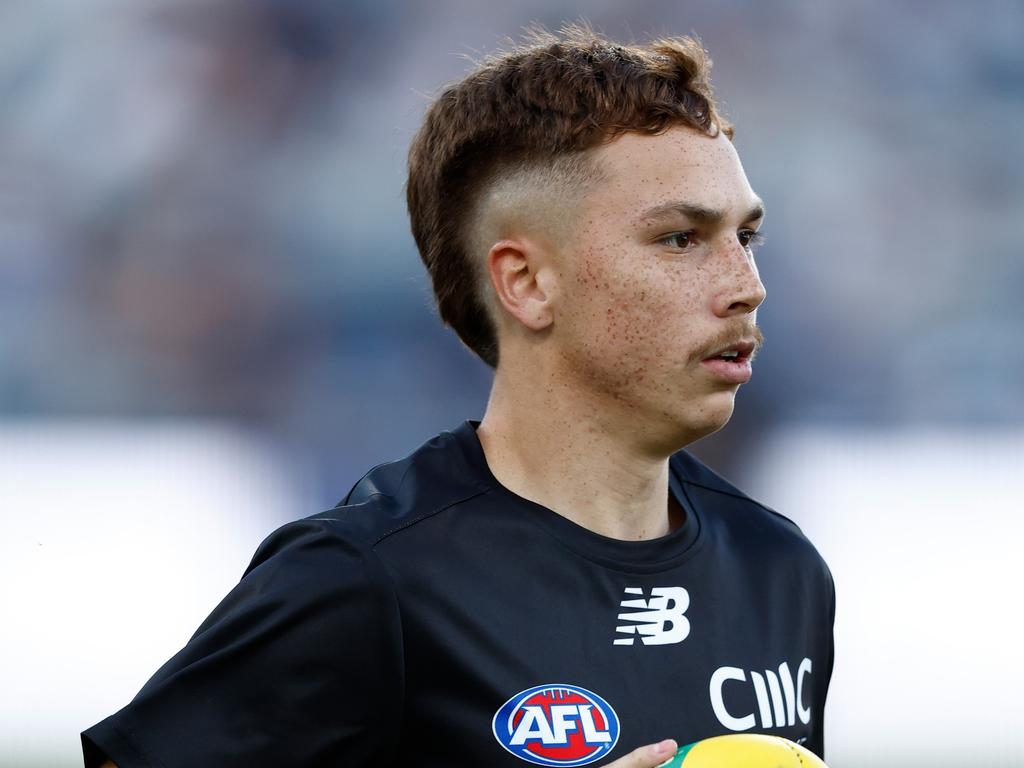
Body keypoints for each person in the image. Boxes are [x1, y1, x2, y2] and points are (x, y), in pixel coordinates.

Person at [82, 25, 834, 768]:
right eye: (680, 239)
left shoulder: (780, 569)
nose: (746, 286)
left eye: (748, 238)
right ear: (527, 283)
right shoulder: (364, 577)